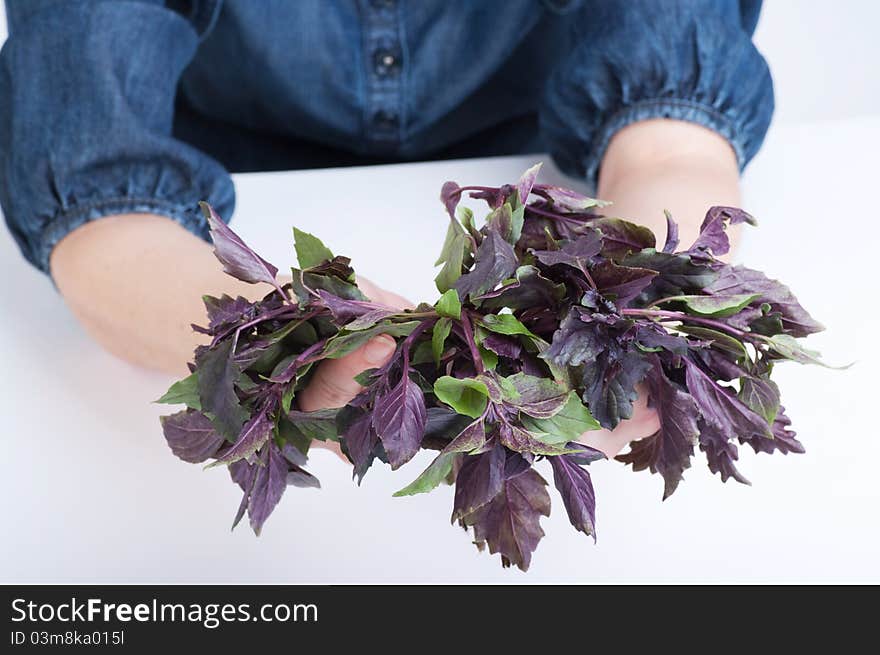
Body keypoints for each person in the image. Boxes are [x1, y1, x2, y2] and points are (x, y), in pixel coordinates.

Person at [0, 0, 773, 458]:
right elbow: (100, 208)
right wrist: (282, 341)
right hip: (222, 181)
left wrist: (639, 290)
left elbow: (672, 137)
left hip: (537, 154)